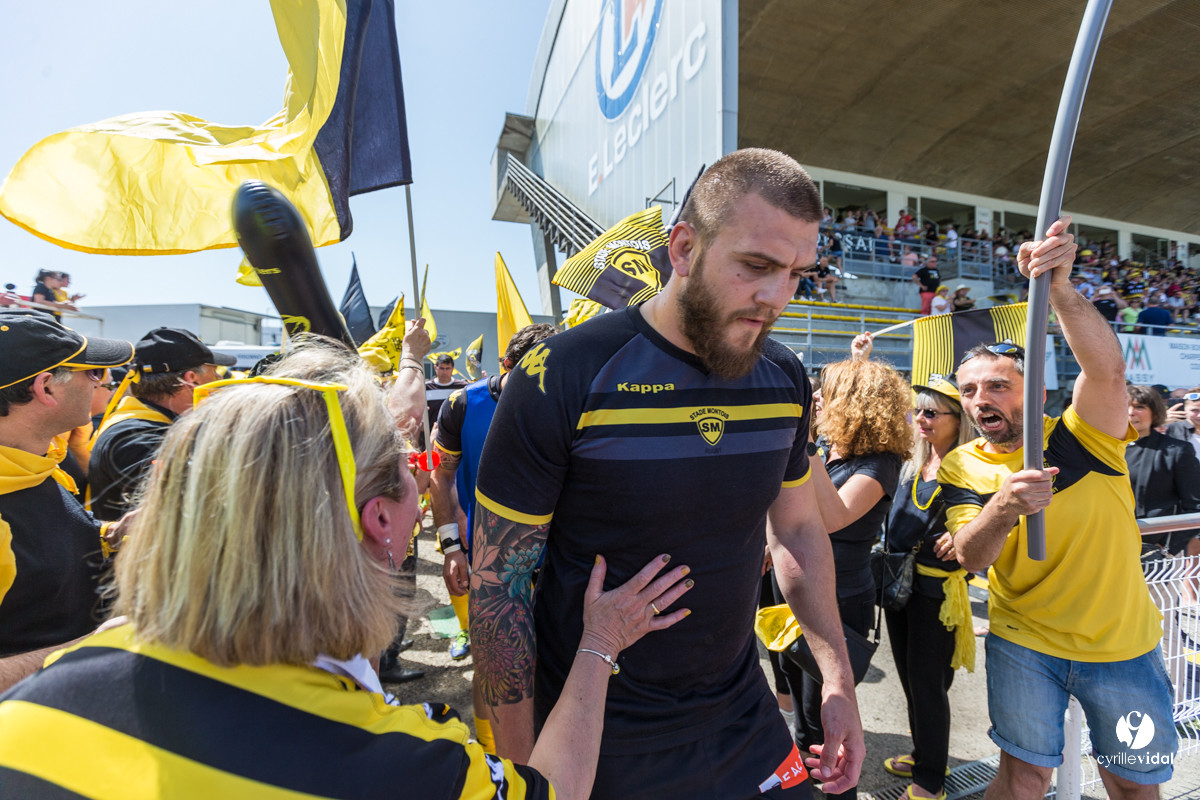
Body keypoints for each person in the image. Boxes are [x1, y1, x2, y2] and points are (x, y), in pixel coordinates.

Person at [0, 338, 692, 800]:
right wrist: (600, 643)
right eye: (411, 471)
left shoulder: (33, 705)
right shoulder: (405, 766)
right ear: (382, 519)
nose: (424, 484)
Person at [471, 148, 863, 799]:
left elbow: (795, 529)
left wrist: (840, 680)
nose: (777, 297)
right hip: (601, 735)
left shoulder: (785, 376)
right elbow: (497, 591)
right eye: (756, 266)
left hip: (744, 720)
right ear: (682, 248)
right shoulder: (560, 375)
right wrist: (524, 780)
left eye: (797, 273)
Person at [939, 217, 1177, 799]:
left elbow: (1108, 371)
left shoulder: (1085, 434)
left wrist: (1063, 290)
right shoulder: (962, 465)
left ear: (1037, 392)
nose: (979, 401)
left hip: (1120, 645)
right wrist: (1003, 507)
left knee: (1130, 785)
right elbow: (971, 558)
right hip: (1024, 643)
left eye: (997, 385)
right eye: (969, 391)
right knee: (1022, 781)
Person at [428, 322, 559, 747]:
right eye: (528, 375)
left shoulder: (564, 394)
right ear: (505, 365)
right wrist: (451, 545)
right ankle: (499, 761)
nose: (539, 387)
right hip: (486, 559)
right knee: (496, 666)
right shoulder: (461, 404)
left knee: (555, 660)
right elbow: (441, 475)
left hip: (555, 558)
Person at [789, 344, 909, 800]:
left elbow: (834, 516)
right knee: (805, 721)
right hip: (807, 593)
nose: (817, 399)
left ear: (856, 402)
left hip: (840, 603)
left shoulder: (879, 463)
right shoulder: (838, 455)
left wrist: (808, 447)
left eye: (827, 393)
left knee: (827, 728)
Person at [0, 310, 133, 677]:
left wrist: (111, 533)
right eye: (93, 372)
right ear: (45, 388)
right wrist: (91, 648)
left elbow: (40, 543)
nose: (100, 383)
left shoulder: (35, 460)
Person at [879, 368, 975, 800]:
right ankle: (923, 755)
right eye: (918, 410)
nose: (922, 418)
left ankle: (930, 780)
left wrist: (964, 536)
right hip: (901, 585)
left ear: (959, 418)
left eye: (933, 412)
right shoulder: (915, 460)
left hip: (938, 595)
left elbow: (999, 523)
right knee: (909, 679)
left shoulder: (973, 467)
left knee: (928, 685)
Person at [88, 328, 235, 521]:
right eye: (214, 373)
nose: (218, 380)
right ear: (192, 379)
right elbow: (198, 507)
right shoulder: (134, 438)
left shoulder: (143, 422)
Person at [1125, 385, 1200, 556]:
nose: (1131, 412)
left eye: (1139, 407)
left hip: (1152, 553)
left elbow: (1195, 504)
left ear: (1155, 412)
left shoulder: (1175, 450)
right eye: (1125, 406)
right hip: (1105, 546)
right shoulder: (1101, 450)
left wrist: (1168, 547)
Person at [1165, 388, 1200, 460]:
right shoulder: (1171, 429)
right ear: (1185, 409)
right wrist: (1159, 423)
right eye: (1194, 410)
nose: (1199, 415)